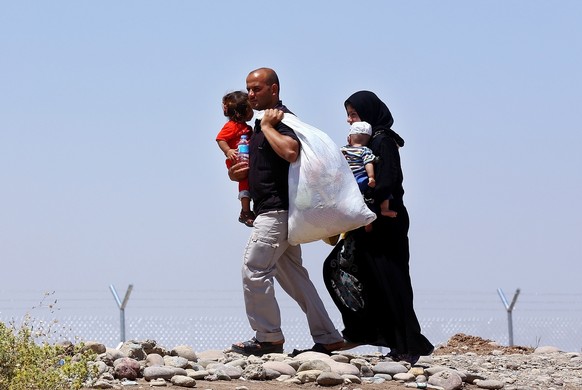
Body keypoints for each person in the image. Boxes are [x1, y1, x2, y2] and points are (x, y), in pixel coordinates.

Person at [227, 67, 345, 356]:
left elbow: (291, 151)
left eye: (257, 89)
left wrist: (268, 127)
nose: (251, 94)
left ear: (274, 90)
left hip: (277, 212)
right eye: (249, 89)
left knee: (254, 270)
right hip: (272, 210)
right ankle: (328, 337)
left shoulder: (279, 120)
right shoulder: (259, 124)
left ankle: (268, 337)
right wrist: (238, 176)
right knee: (295, 277)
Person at [323, 90, 434, 364]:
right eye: (348, 116)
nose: (350, 121)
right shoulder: (364, 146)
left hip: (386, 221)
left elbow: (389, 180)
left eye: (354, 115)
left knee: (392, 282)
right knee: (341, 267)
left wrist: (373, 208)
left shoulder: (383, 141)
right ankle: (366, 332)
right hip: (367, 220)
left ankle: (407, 344)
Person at [341, 121, 397, 221]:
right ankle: (384, 209)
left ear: (349, 138)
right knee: (384, 191)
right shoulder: (365, 150)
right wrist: (371, 177)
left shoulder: (343, 150)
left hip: (348, 180)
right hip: (361, 179)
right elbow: (368, 163)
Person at [215, 91, 255, 227]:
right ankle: (245, 211)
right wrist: (228, 151)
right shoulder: (232, 126)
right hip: (237, 160)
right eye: (250, 109)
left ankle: (247, 210)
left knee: (248, 183)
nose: (252, 111)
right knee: (244, 183)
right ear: (240, 112)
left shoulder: (246, 128)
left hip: (246, 159)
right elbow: (220, 138)